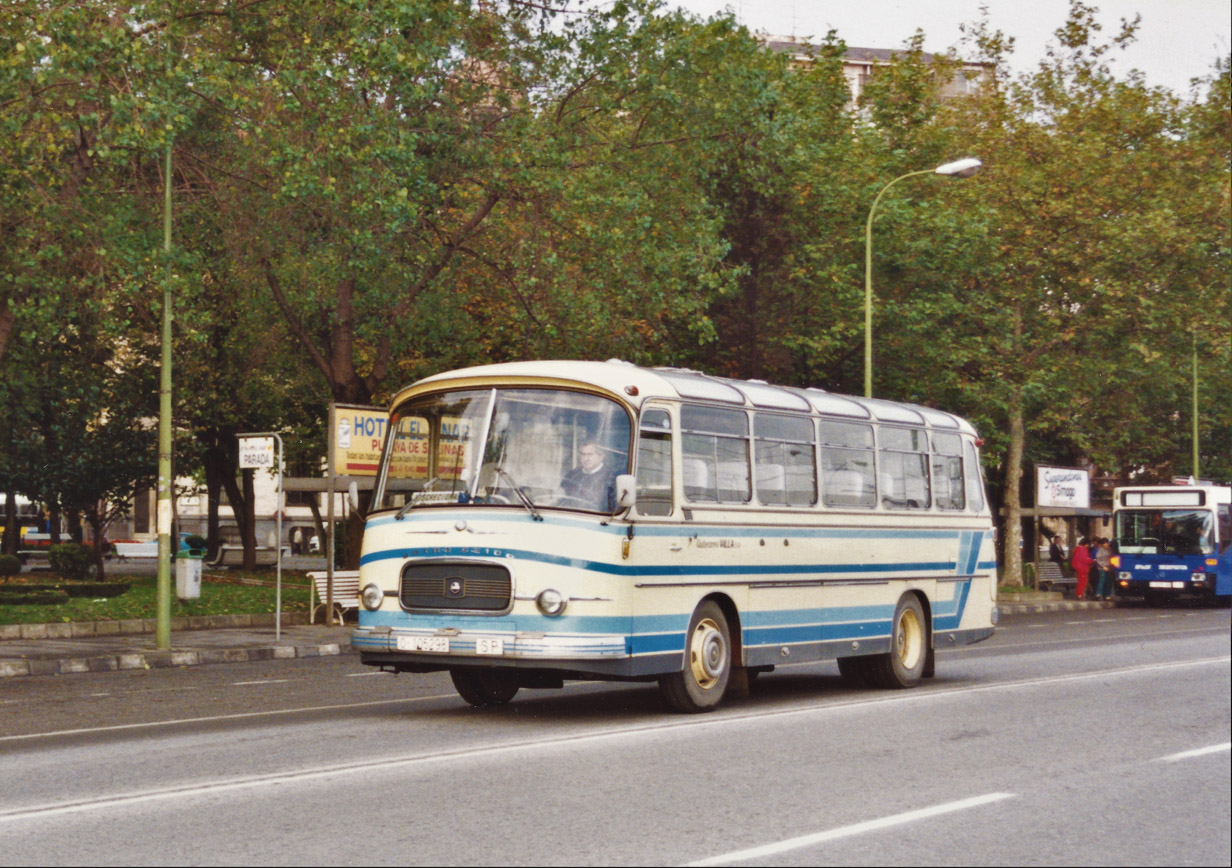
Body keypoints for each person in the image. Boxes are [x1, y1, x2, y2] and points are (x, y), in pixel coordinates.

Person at [561, 440, 616, 511]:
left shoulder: (611, 478)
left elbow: (613, 509)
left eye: (590, 454)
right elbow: (562, 496)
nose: (586, 459)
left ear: (601, 457)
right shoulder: (572, 475)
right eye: (583, 454)